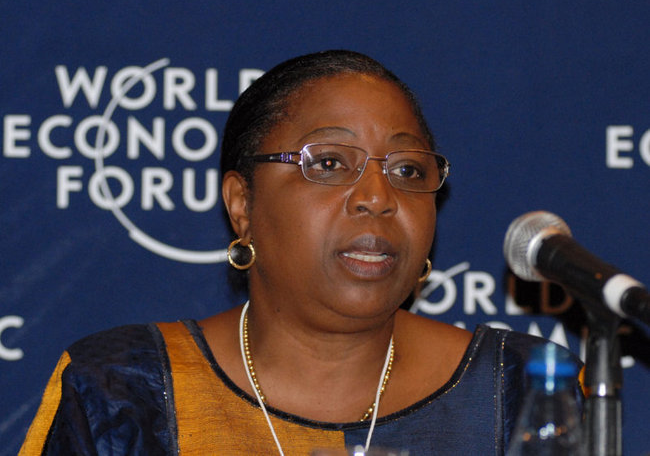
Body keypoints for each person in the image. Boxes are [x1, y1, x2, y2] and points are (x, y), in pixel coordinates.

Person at [19, 50, 577, 455]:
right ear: (242, 205)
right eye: (329, 163)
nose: (378, 197)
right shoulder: (124, 390)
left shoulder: (522, 388)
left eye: (408, 171)